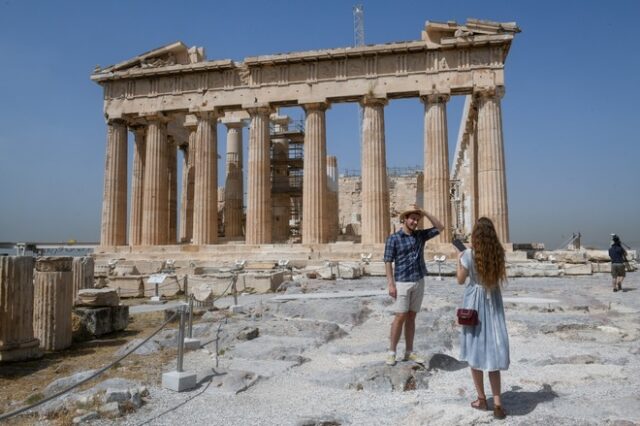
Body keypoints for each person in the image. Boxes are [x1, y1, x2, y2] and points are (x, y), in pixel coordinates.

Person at [456, 217, 510, 420]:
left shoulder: (469, 255)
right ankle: (498, 403)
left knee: (475, 352)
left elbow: (461, 281)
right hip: (493, 304)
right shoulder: (498, 254)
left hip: (474, 306)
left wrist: (458, 259)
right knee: (493, 353)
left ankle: (481, 399)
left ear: (475, 235)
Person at [383, 204, 444, 366]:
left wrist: (425, 212)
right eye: (412, 219)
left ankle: (409, 352)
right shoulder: (393, 238)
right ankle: (392, 351)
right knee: (400, 316)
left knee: (412, 317)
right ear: (405, 219)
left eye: (417, 220)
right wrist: (391, 284)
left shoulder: (420, 236)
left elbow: (440, 227)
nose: (415, 222)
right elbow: (388, 261)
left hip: (418, 280)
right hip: (402, 281)